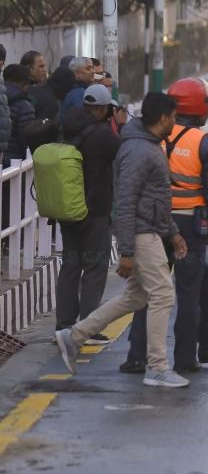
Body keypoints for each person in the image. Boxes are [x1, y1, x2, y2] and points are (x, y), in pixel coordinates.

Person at [53, 93, 191, 389]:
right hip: (141, 233)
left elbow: (155, 197)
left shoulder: (147, 146)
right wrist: (127, 251)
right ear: (164, 118)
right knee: (163, 293)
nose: (175, 123)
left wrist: (173, 232)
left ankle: (73, 336)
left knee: (136, 296)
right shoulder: (139, 150)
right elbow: (126, 200)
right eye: (174, 117)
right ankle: (157, 367)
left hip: (151, 229)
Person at [124, 78, 208, 375]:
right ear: (199, 107)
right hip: (189, 224)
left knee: (148, 290)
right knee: (189, 290)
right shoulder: (202, 142)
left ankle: (137, 355)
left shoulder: (151, 135)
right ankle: (187, 356)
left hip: (152, 223)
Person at [54, 84, 121, 334]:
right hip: (94, 212)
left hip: (67, 209)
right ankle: (87, 328)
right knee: (95, 267)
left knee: (70, 265)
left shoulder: (64, 126)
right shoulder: (101, 135)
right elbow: (123, 152)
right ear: (103, 109)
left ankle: (64, 326)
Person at [4, 64, 36, 165]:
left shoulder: (2, 98)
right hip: (14, 162)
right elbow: (28, 137)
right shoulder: (24, 106)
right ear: (24, 83)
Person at [21, 51, 57, 125]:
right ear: (29, 68)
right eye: (41, 66)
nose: (45, 70)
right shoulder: (22, 90)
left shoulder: (47, 88)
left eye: (44, 66)